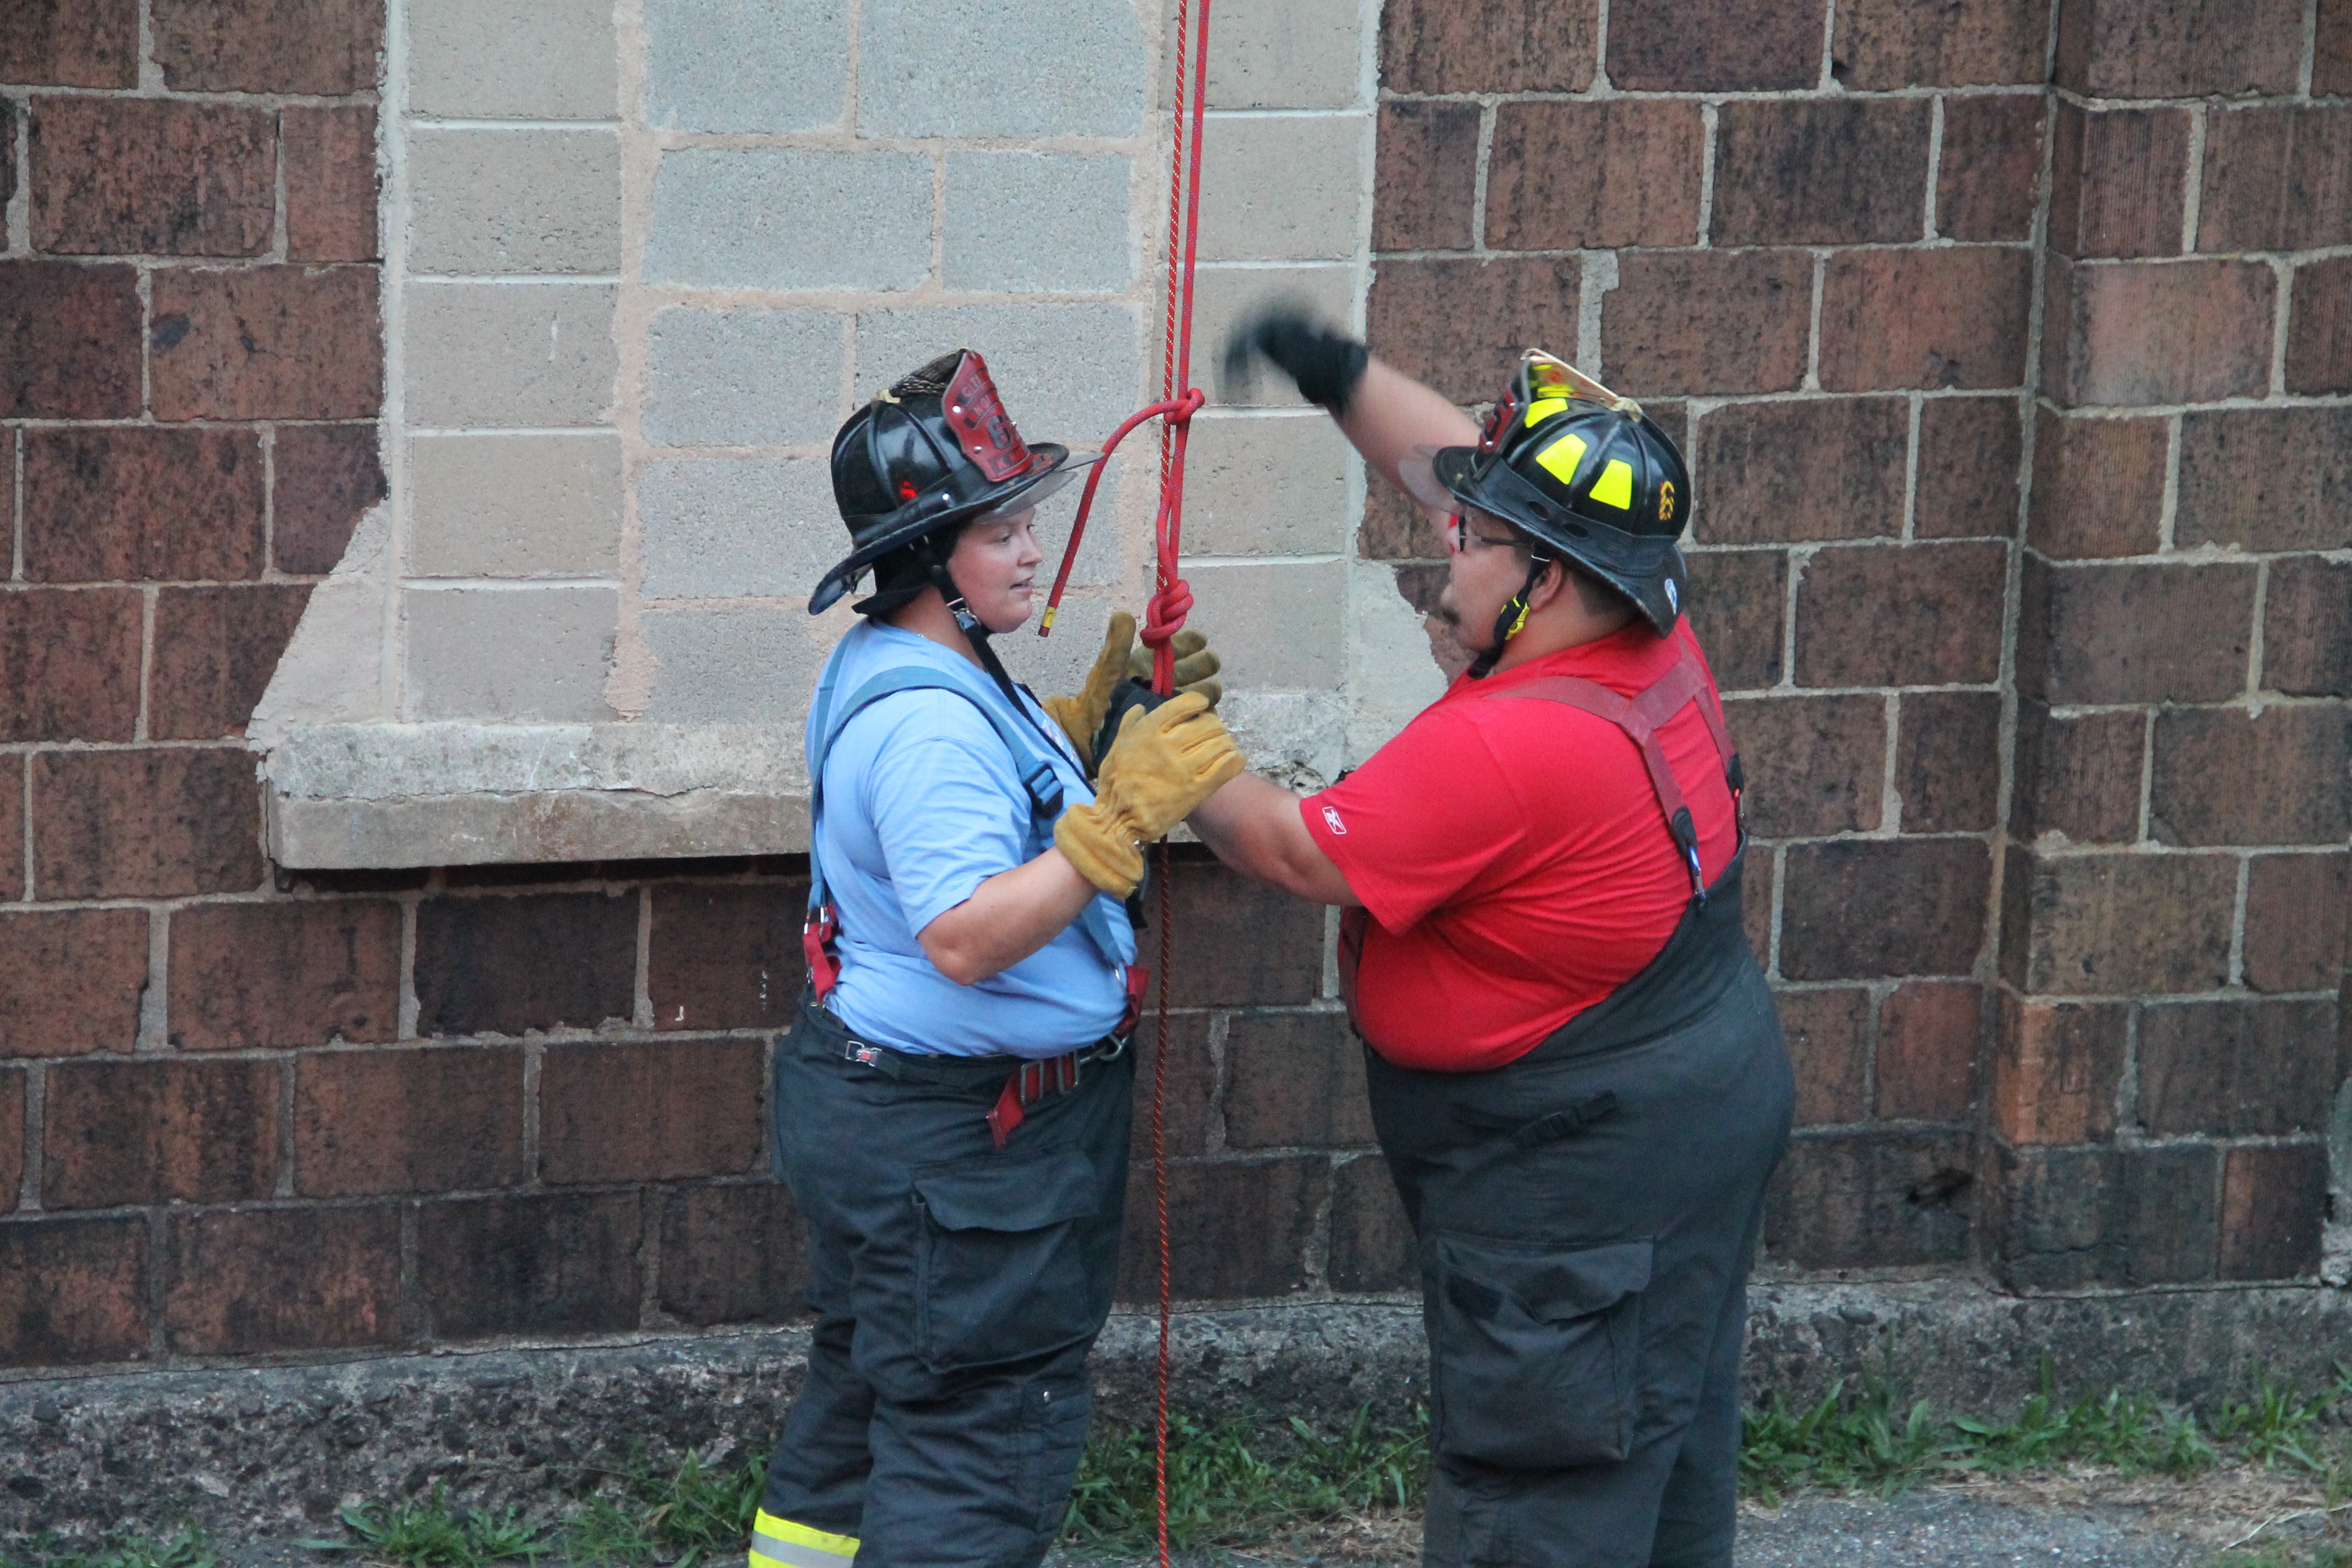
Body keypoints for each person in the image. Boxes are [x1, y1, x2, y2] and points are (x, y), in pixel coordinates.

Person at [1195, 314, 1795, 1568]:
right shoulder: (1636, 617)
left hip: (1579, 1171)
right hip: (1687, 1114)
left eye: (1474, 541)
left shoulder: (1514, 747)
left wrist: (1163, 749)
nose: (1446, 546)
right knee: (1654, 1436)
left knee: (1546, 1491)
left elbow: (1292, 852)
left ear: (1547, 581)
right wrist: (1343, 376)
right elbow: (1451, 473)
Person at [751, 349, 1240, 1568]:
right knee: (976, 1445)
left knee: (870, 1394)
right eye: (999, 531)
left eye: (1026, 523)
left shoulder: (915, 664)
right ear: (927, 557)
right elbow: (965, 935)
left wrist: (1088, 731)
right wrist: (1117, 824)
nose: (1030, 551)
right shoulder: (929, 725)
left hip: (901, 1122)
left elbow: (986, 807)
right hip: (962, 1149)